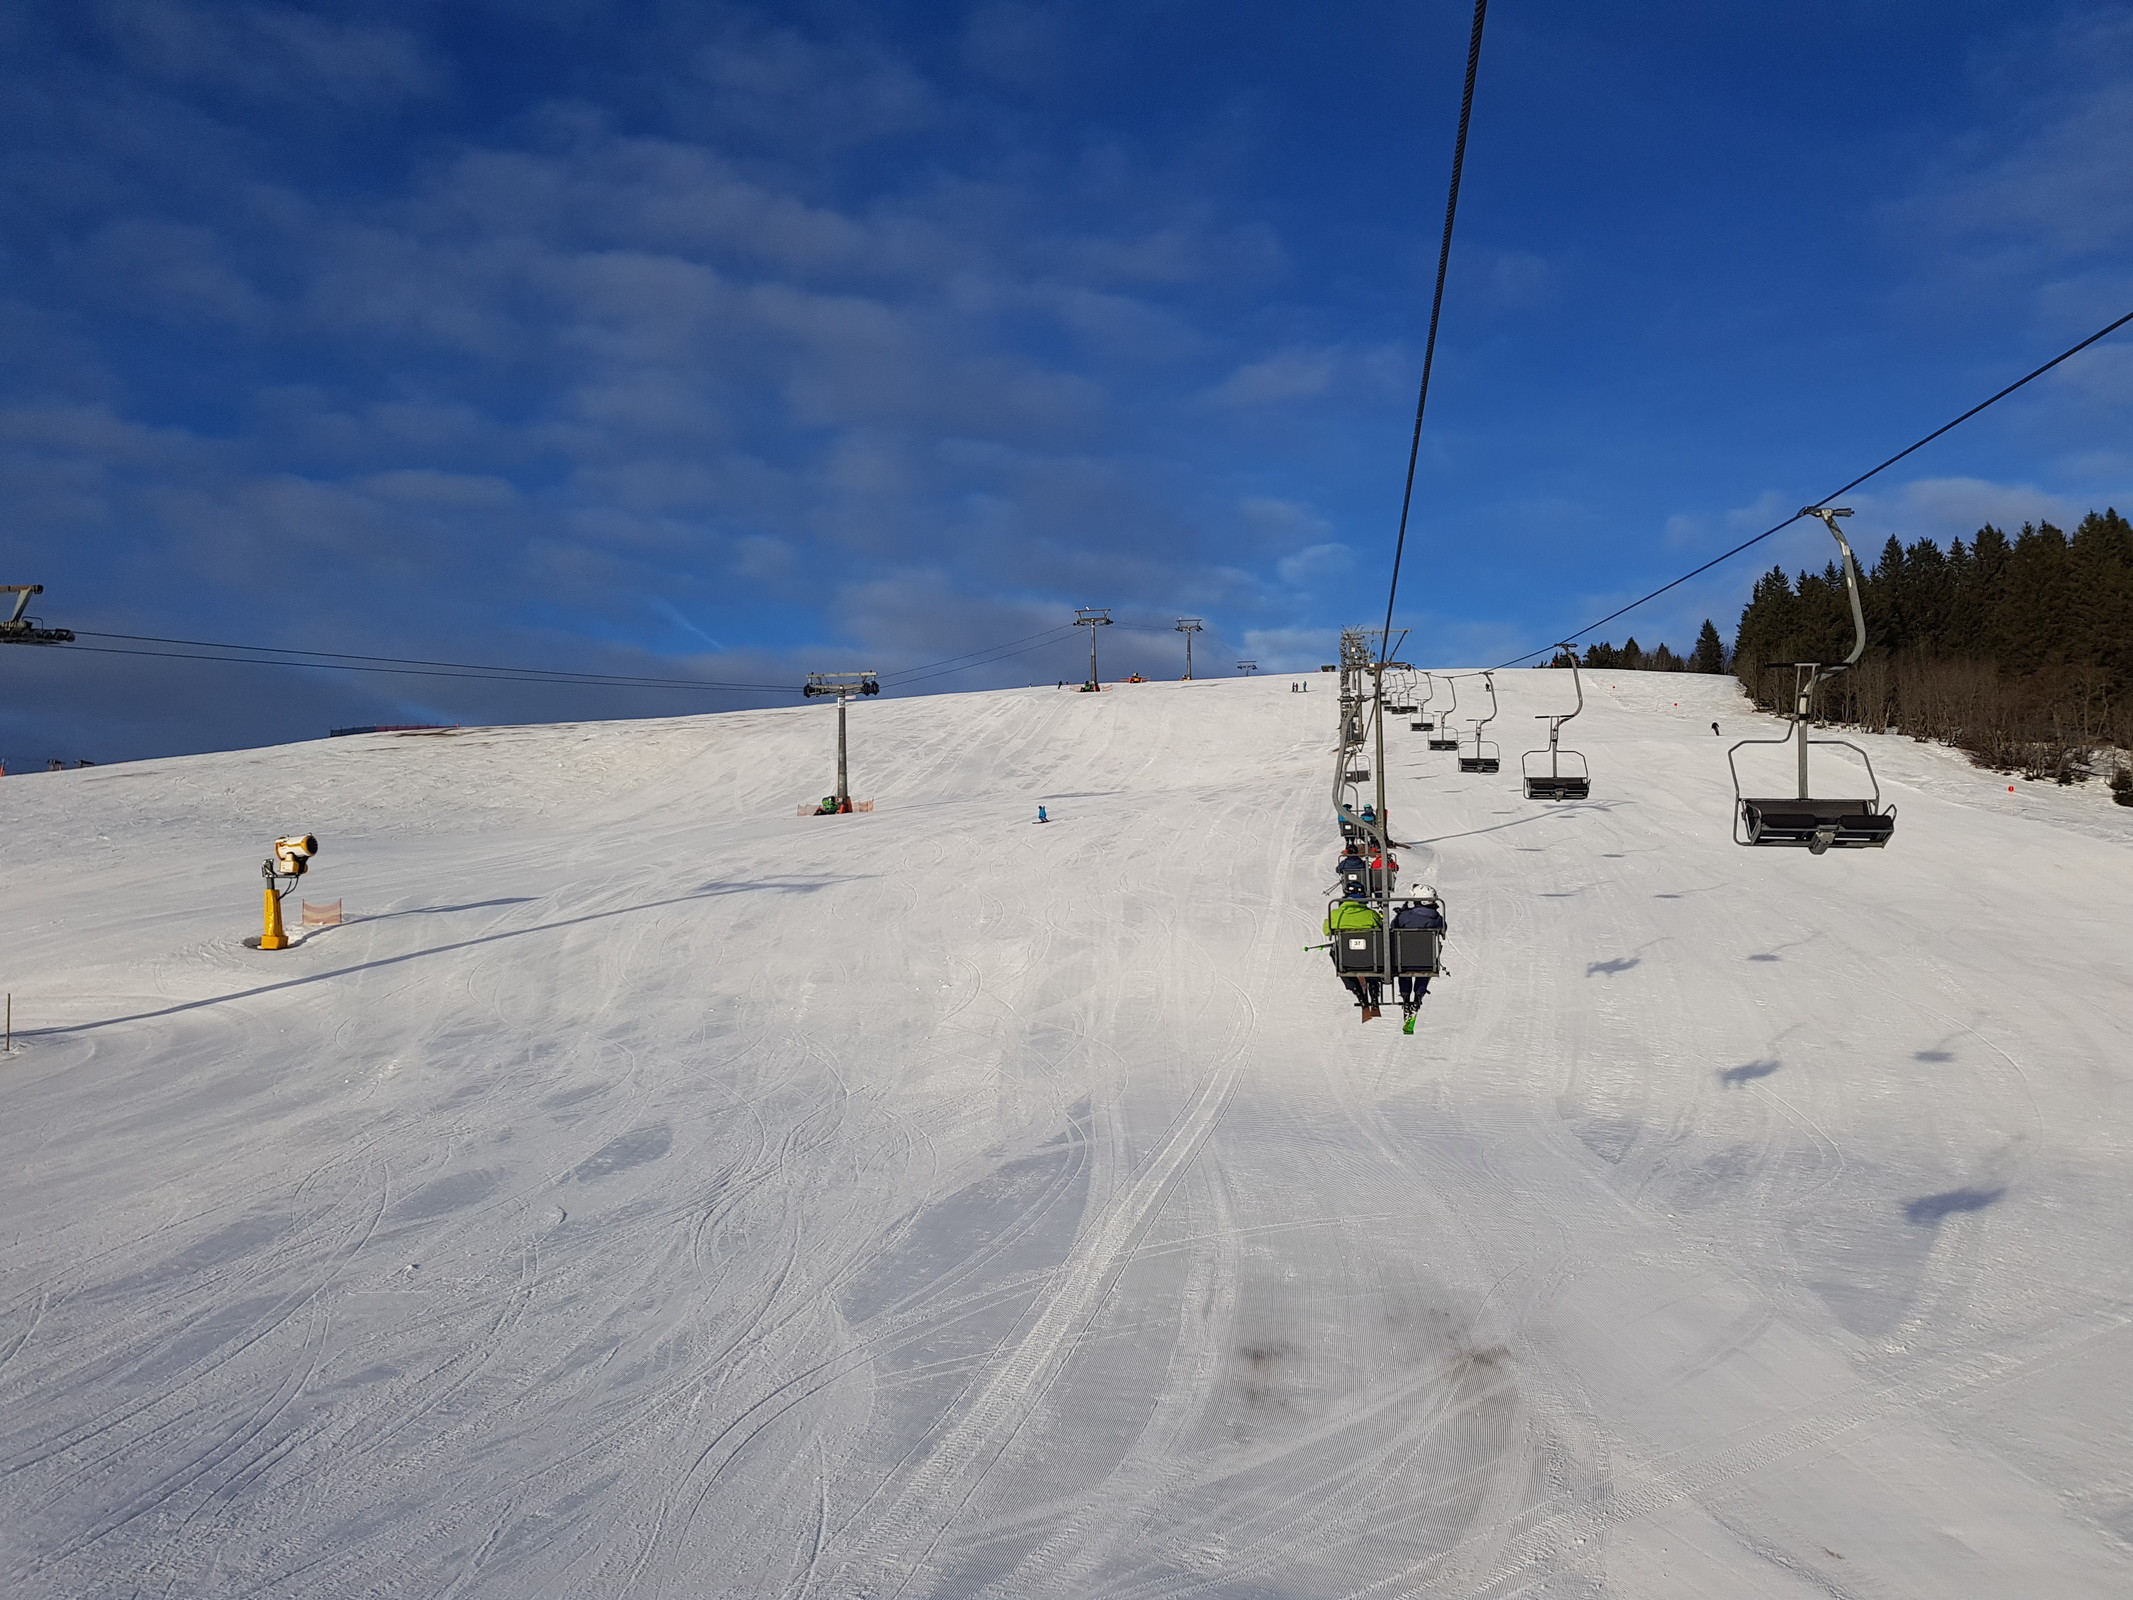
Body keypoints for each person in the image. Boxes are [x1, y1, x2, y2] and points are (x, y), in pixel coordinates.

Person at [1324, 887, 1384, 1022]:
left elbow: (1327, 931)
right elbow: (1381, 929)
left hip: (1348, 959)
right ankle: (1374, 990)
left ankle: (1357, 992)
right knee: (1375, 952)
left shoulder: (1336, 914)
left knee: (1336, 953)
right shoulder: (1371, 914)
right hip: (1369, 958)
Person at [1390, 899, 1447, 1034]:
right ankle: (1418, 996)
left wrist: (1401, 913)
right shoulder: (1437, 918)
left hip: (1405, 959)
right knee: (1425, 970)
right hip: (1426, 960)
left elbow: (1393, 927)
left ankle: (1405, 997)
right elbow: (1443, 928)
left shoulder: (1405, 916)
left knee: (1403, 970)